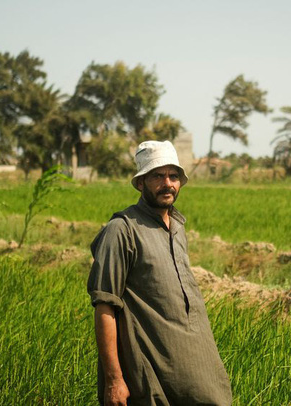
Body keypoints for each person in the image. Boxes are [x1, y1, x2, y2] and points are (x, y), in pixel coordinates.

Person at [87, 140, 232, 406]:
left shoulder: (177, 227)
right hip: (151, 373)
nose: (167, 183)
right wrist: (114, 380)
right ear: (141, 182)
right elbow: (105, 306)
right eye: (157, 175)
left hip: (197, 370)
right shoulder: (122, 230)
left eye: (173, 176)